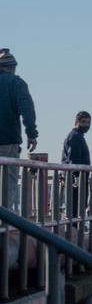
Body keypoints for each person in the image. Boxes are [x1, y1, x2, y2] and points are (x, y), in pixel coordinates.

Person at [0, 48, 37, 210]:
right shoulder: (16, 83)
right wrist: (31, 134)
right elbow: (27, 109)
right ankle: (4, 224)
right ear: (11, 67)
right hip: (8, 140)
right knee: (8, 184)